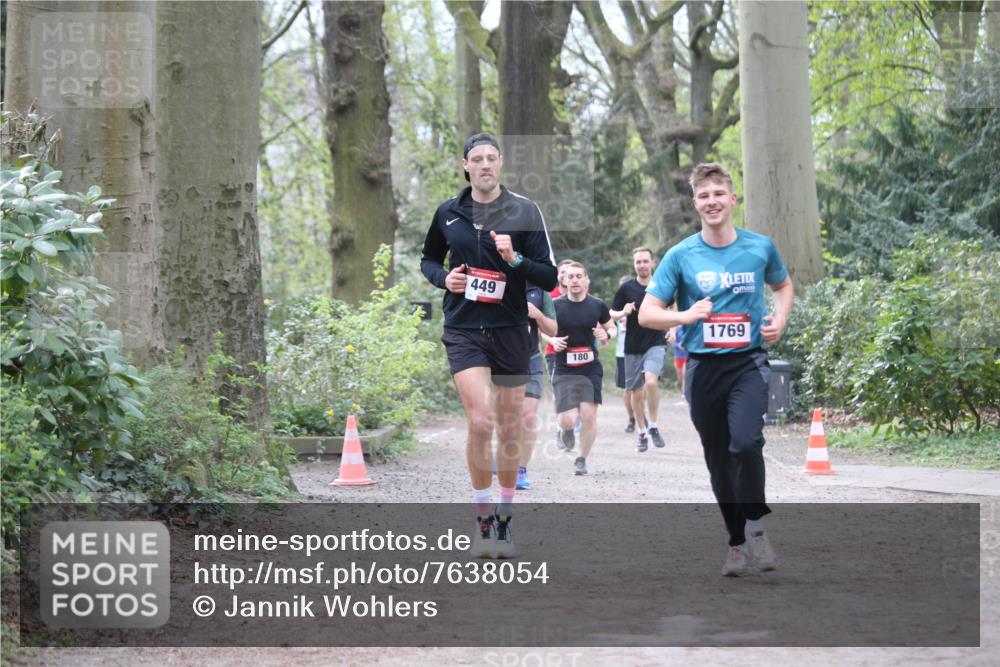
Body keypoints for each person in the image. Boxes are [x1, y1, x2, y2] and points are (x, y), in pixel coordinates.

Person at [638, 162, 794, 577]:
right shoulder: (681, 255)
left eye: (718, 194)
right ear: (695, 203)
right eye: (704, 196)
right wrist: (685, 316)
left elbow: (783, 285)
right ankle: (736, 542)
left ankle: (756, 528)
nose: (712, 202)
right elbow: (647, 313)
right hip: (703, 368)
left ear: (732, 199)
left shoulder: (760, 247)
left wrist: (780, 319)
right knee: (719, 460)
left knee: (746, 443)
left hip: (748, 363)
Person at [420, 132, 557, 558]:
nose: (484, 165)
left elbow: (549, 275)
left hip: (512, 331)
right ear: (465, 166)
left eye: (491, 158)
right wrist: (444, 279)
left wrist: (516, 259)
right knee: (481, 422)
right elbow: (428, 259)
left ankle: (505, 519)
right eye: (476, 158)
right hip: (464, 329)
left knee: (509, 426)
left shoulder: (525, 211)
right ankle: (483, 520)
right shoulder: (448, 213)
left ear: (500, 163)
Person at [549, 261, 616, 476]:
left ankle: (581, 459)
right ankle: (565, 430)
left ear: (586, 280)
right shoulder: (555, 305)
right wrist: (552, 340)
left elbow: (612, 327)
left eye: (579, 276)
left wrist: (606, 334)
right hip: (565, 368)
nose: (575, 280)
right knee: (567, 420)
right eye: (570, 276)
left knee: (588, 416)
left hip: (590, 368)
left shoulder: (597, 305)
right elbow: (540, 329)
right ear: (564, 280)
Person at [611, 247, 668, 452]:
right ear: (634, 264)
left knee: (651, 382)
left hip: (656, 342)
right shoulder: (626, 288)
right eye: (638, 262)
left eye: (645, 261)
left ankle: (653, 425)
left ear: (653, 263)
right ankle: (642, 431)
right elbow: (611, 313)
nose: (642, 265)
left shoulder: (661, 285)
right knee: (635, 392)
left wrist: (673, 329)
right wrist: (622, 312)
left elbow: (672, 306)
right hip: (633, 346)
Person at [518, 281, 558, 490]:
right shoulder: (498, 280)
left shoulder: (540, 291)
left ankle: (520, 470)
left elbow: (552, 329)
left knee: (528, 417)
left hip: (531, 359)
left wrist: (537, 315)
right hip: (501, 360)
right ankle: (503, 458)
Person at [614, 275, 637, 432]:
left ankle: (640, 413)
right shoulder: (617, 308)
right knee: (628, 389)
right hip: (622, 352)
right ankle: (631, 418)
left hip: (641, 351)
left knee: (641, 388)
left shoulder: (642, 303)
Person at [671, 325, 687, 395]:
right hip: (678, 356)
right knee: (679, 376)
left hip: (687, 355)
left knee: (684, 374)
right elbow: (672, 344)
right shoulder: (677, 329)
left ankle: (685, 392)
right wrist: (678, 345)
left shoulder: (690, 327)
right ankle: (682, 389)